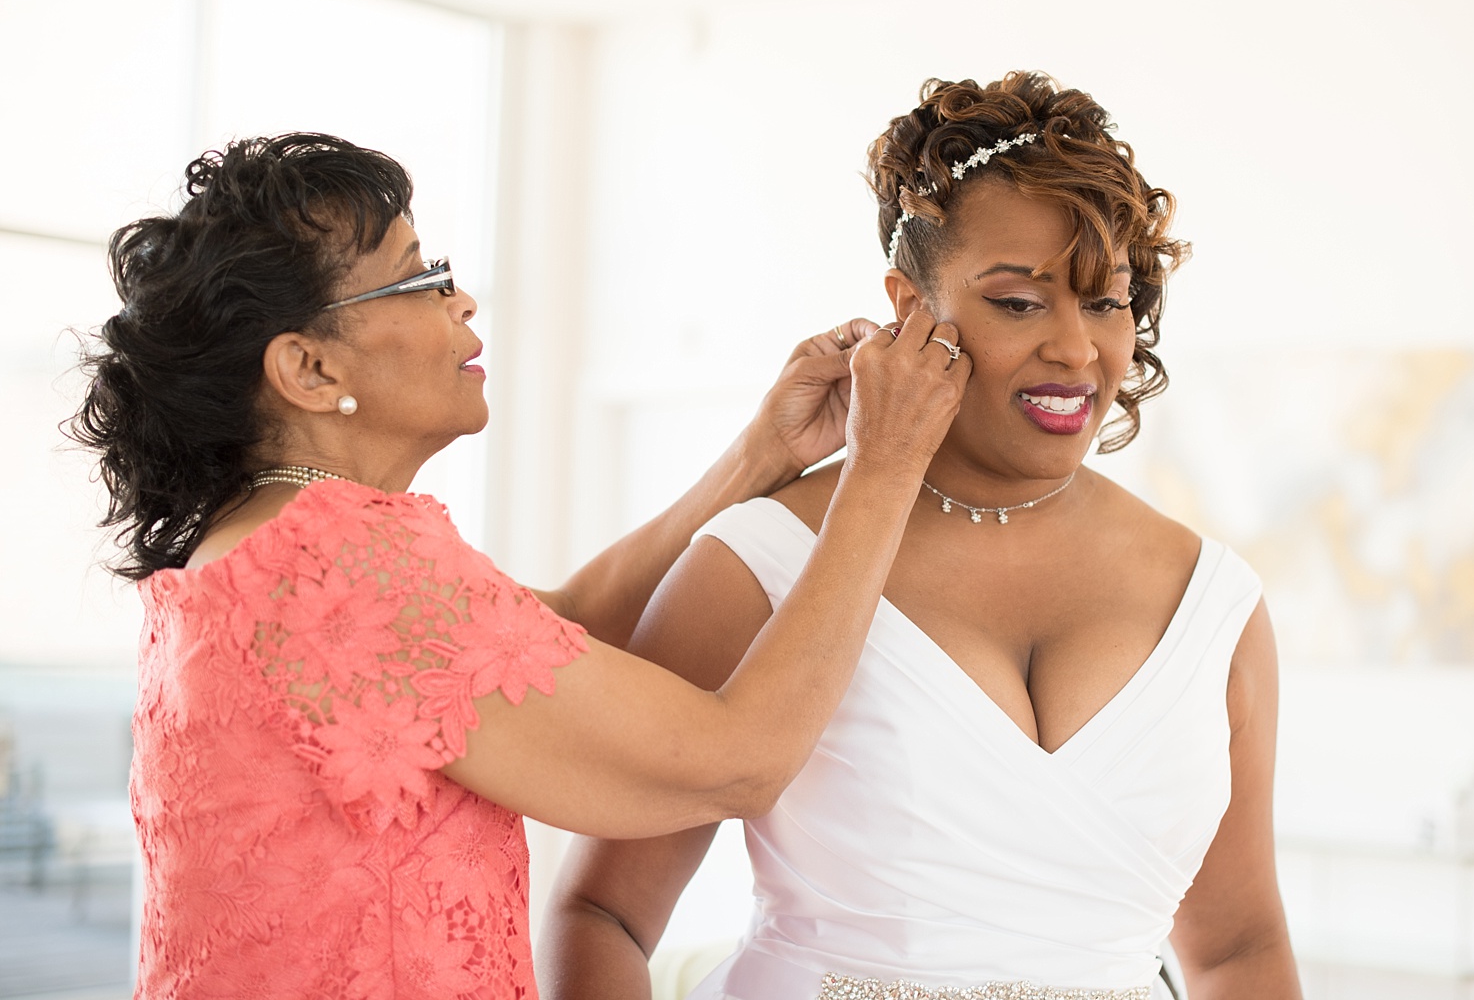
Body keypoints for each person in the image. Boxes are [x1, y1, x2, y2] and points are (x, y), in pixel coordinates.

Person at [68, 133, 971, 999]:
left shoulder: (270, 543)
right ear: (307, 367)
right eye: (421, 278)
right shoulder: (340, 561)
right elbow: (736, 762)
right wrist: (883, 463)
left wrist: (762, 453)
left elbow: (569, 620)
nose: (462, 303)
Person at [543, 72, 1304, 1000]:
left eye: (1106, 302)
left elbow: (1238, 949)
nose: (1076, 348)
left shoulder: (1214, 603)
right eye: (1020, 302)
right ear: (910, 305)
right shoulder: (759, 564)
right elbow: (603, 915)